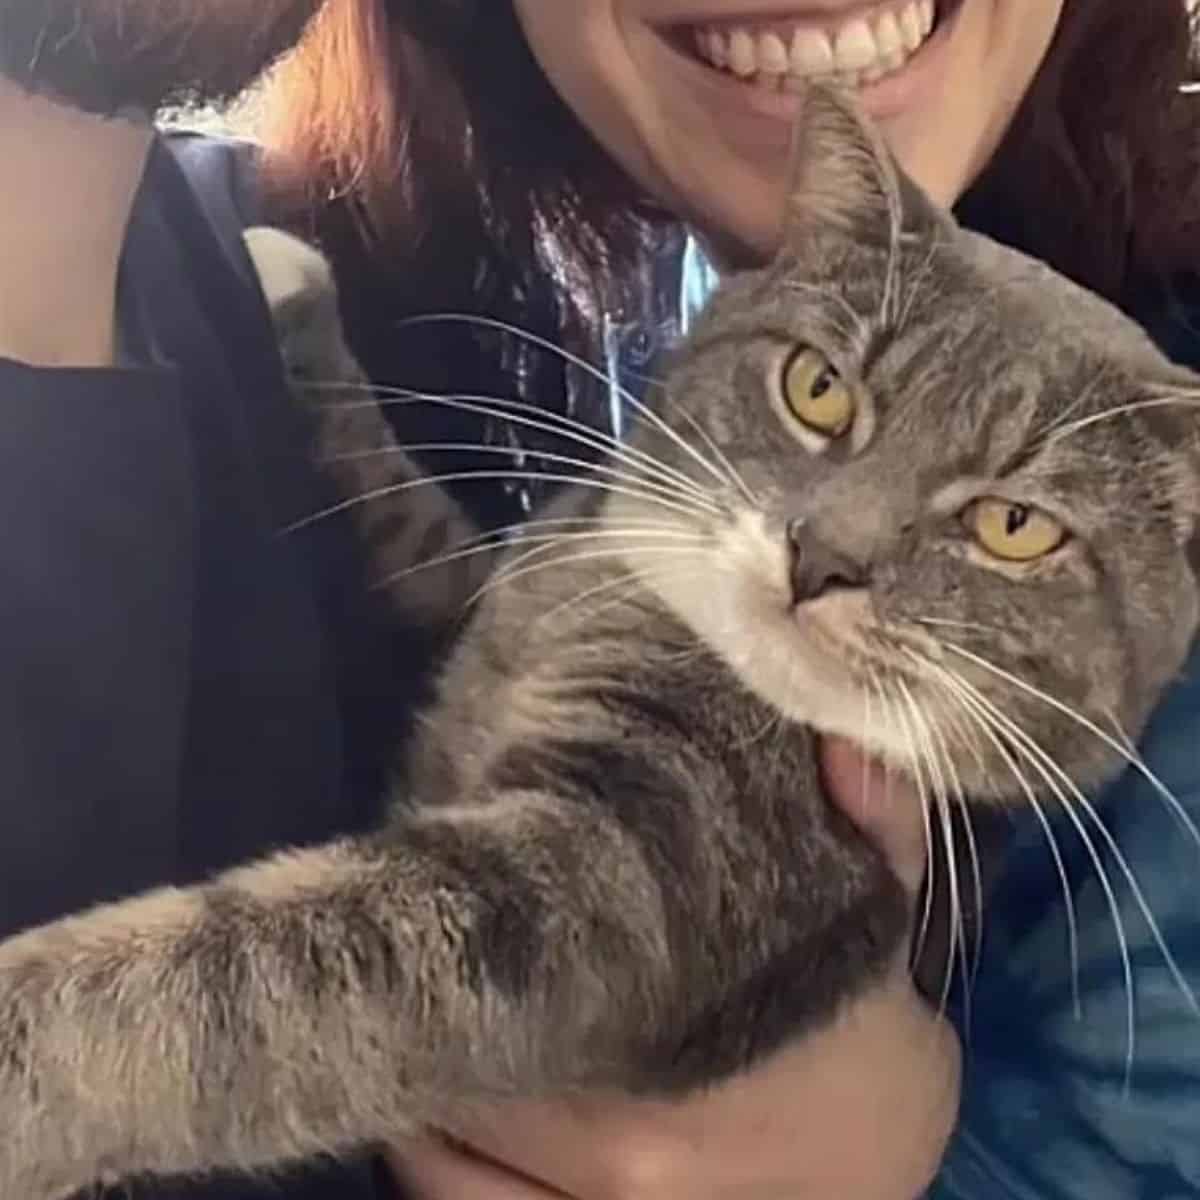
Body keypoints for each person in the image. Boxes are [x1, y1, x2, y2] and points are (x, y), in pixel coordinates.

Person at [0, 2, 1196, 1200]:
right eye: (820, 397)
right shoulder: (503, 283)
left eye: (1009, 524)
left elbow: (491, 933)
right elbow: (500, 621)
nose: (834, 555)